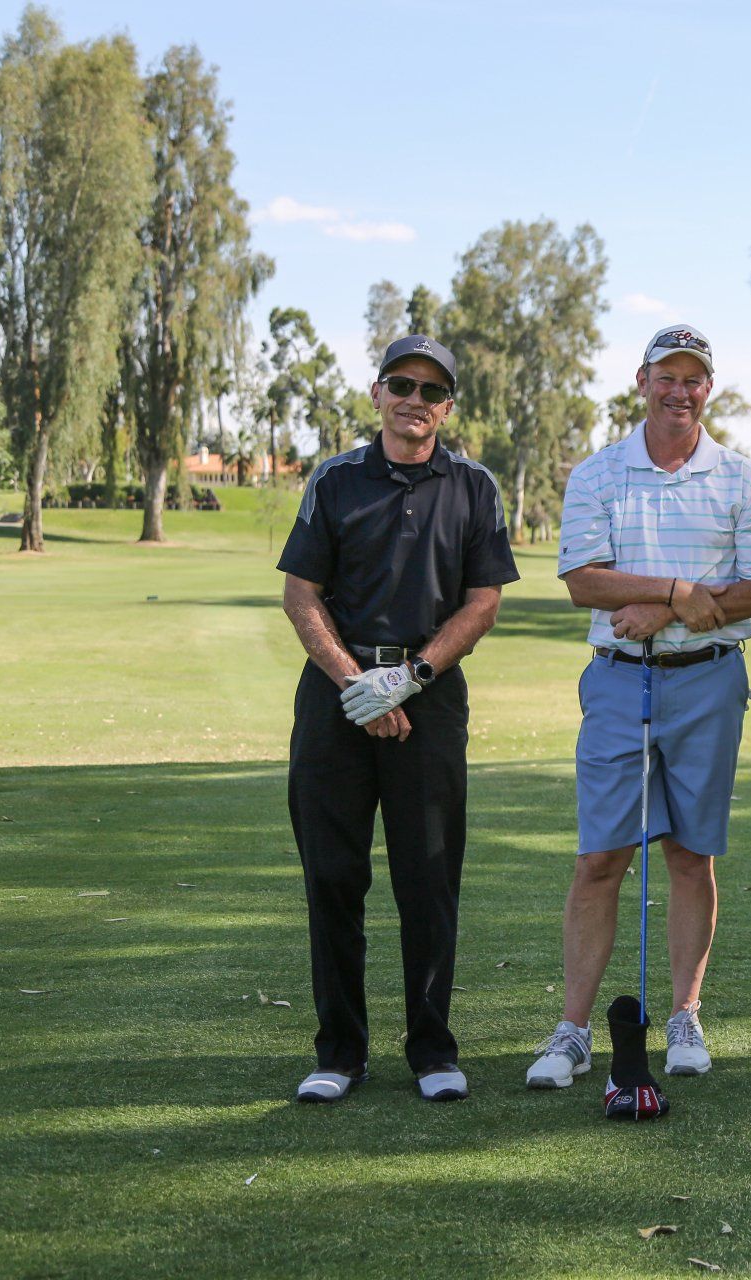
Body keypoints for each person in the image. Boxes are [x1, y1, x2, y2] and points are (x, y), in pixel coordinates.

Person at [526, 323, 751, 1092]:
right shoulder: (599, 473)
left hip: (709, 680)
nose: (679, 391)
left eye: (692, 378)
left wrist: (664, 611)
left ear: (709, 388)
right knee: (600, 857)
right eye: (665, 376)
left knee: (690, 855)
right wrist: (675, 590)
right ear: (641, 382)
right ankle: (574, 1030)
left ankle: (684, 1016)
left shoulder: (740, 478)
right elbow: (584, 580)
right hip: (618, 681)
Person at [277, 334, 519, 1104]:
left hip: (430, 694)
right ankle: (339, 1052)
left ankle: (433, 1050)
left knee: (429, 878)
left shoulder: (474, 486)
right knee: (333, 877)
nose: (416, 400)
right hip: (336, 695)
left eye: (431, 390)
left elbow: (482, 603)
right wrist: (359, 685)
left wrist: (407, 681)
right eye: (402, 385)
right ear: (377, 392)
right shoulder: (336, 479)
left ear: (447, 407)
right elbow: (301, 593)